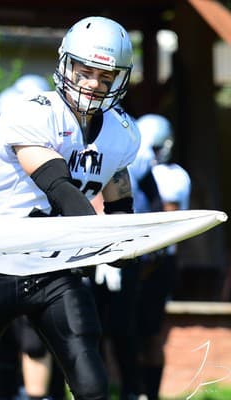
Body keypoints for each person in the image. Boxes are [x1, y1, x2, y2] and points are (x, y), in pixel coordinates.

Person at [0, 16, 140, 400]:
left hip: (54, 269)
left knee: (92, 384)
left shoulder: (122, 132)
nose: (94, 83)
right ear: (66, 65)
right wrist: (103, 240)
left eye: (105, 76)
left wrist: (125, 241)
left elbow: (119, 199)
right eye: (86, 70)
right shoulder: (32, 111)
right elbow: (58, 187)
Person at [134, 113, 191, 400]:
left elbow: (166, 223)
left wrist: (149, 261)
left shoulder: (172, 175)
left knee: (150, 332)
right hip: (137, 257)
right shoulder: (136, 169)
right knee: (127, 330)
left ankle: (149, 393)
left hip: (156, 260)